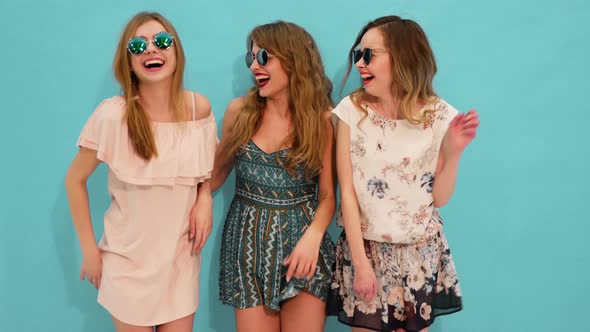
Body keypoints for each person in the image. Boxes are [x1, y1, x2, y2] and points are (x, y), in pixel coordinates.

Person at [64, 11, 217, 331]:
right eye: (138, 45)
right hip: (127, 265)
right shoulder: (112, 116)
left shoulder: (197, 109)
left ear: (176, 52)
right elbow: (74, 180)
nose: (151, 49)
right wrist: (89, 248)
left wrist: (205, 199)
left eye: (162, 41)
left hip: (180, 260)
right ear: (129, 60)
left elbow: (206, 170)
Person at [327, 15, 480, 332]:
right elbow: (348, 194)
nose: (360, 64)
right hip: (366, 250)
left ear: (403, 56)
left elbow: (439, 197)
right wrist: (360, 263)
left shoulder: (440, 115)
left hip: (419, 255)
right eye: (358, 54)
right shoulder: (350, 111)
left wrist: (454, 152)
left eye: (369, 55)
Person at [212, 21, 336, 332]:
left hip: (303, 250)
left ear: (294, 59)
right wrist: (200, 196)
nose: (255, 65)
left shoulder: (322, 120)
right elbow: (213, 178)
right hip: (247, 246)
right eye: (251, 58)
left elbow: (327, 197)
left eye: (264, 57)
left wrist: (312, 238)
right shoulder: (240, 113)